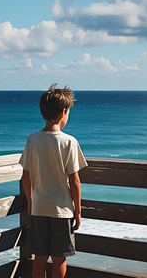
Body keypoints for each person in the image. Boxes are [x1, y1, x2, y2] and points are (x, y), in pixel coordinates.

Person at [19, 83, 88, 278]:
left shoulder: (32, 139)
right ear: (63, 112)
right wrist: (78, 210)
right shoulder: (69, 142)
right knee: (59, 258)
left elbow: (26, 175)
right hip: (62, 211)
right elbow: (74, 181)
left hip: (39, 209)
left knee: (39, 257)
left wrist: (31, 200)